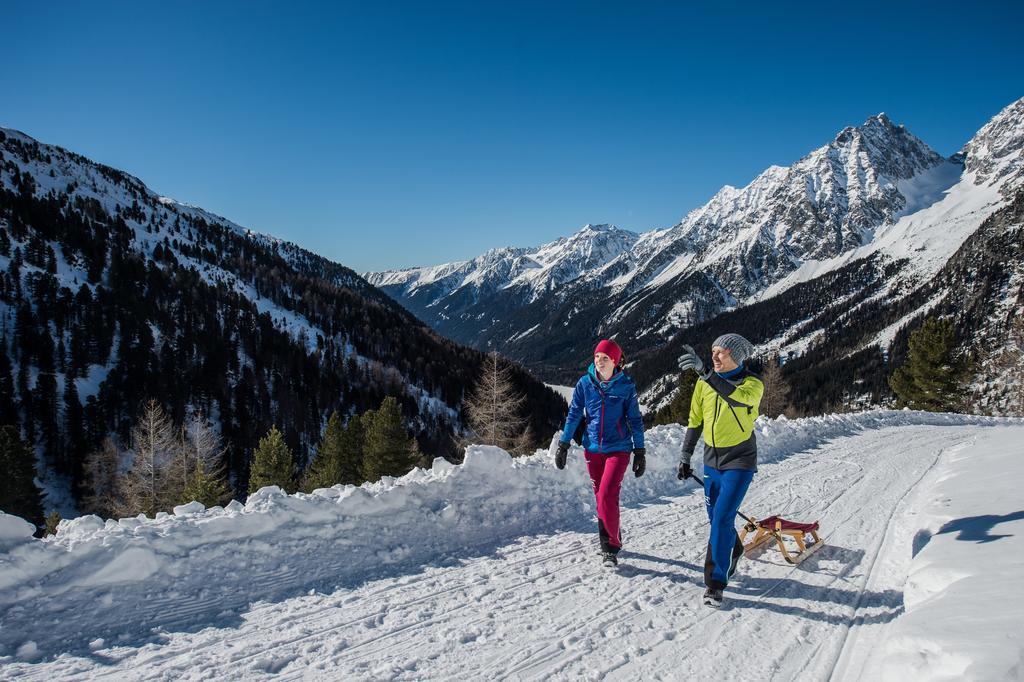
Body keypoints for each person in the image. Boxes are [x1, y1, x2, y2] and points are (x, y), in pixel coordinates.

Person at [677, 333, 763, 608]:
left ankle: (715, 584)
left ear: (736, 357)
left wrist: (705, 374)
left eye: (721, 353)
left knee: (722, 518)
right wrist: (685, 455)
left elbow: (735, 397)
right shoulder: (704, 385)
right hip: (711, 460)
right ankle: (734, 550)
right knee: (716, 517)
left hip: (740, 460)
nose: (714, 357)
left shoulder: (752, 385)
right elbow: (695, 419)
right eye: (712, 351)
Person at [555, 339, 646, 568]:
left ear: (615, 361)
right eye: (597, 357)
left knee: (606, 495)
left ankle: (610, 548)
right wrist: (563, 444)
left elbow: (635, 420)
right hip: (592, 448)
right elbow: (574, 413)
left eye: (605, 358)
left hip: (619, 449)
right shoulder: (585, 383)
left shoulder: (626, 386)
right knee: (601, 497)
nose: (599, 362)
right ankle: (612, 534)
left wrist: (640, 450)